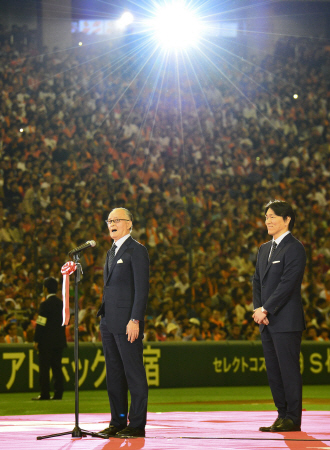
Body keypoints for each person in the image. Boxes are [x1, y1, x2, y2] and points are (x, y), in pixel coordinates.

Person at [252, 200, 306, 432]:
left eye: (273, 216)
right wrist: (258, 309)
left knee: (288, 370)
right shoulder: (264, 249)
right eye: (266, 216)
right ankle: (282, 414)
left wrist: (266, 308)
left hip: (286, 321)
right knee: (274, 372)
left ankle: (292, 418)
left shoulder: (295, 248)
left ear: (287, 219)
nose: (268, 220)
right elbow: (257, 282)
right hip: (267, 322)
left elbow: (288, 284)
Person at [97, 207, 150, 438]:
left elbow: (142, 289)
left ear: (129, 224)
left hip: (128, 322)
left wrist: (135, 319)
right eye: (109, 220)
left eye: (117, 220)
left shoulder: (136, 250)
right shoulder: (111, 252)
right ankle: (117, 421)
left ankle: (136, 424)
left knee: (133, 373)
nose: (112, 223)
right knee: (115, 374)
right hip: (108, 322)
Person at [32, 277, 67, 400]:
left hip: (46, 342)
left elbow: (41, 323)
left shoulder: (45, 304)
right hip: (59, 341)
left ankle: (45, 393)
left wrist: (36, 340)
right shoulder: (61, 304)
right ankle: (58, 393)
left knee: (44, 368)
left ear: (45, 289)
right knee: (57, 367)